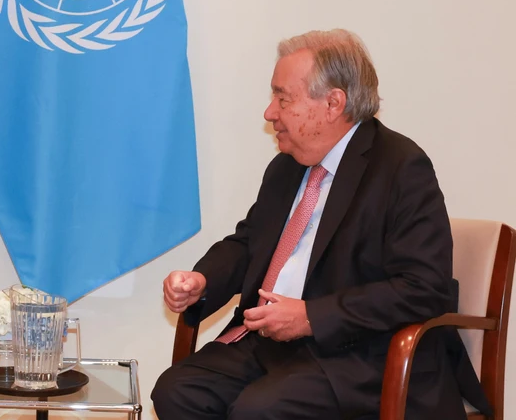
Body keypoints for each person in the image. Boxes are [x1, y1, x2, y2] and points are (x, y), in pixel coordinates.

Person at [151, 29, 487, 419]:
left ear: (332, 103)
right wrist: (203, 281)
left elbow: (423, 288)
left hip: (361, 354)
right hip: (274, 346)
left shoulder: (400, 167)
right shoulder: (287, 166)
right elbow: (248, 243)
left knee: (258, 410)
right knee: (177, 391)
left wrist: (312, 316)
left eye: (283, 97)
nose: (269, 112)